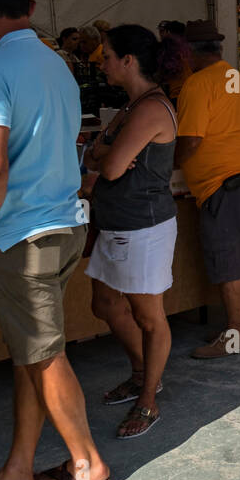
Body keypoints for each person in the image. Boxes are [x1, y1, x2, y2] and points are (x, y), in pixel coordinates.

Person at [0, 0, 110, 480]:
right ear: (32, 10)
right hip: (61, 226)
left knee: (42, 355)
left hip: (21, 237)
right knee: (34, 353)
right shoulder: (58, 64)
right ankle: (17, 473)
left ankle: (87, 462)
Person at [84, 25, 178, 438]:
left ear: (128, 61)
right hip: (118, 221)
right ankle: (142, 374)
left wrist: (106, 154)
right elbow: (94, 152)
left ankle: (148, 402)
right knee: (104, 302)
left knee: (149, 316)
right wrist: (107, 152)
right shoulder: (131, 107)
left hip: (144, 224)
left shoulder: (150, 109)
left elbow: (107, 166)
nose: (101, 64)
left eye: (106, 56)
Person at [176, 19, 240, 359]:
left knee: (229, 261)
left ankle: (236, 334)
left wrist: (169, 163)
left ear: (188, 53)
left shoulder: (197, 84)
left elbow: (191, 140)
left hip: (223, 184)